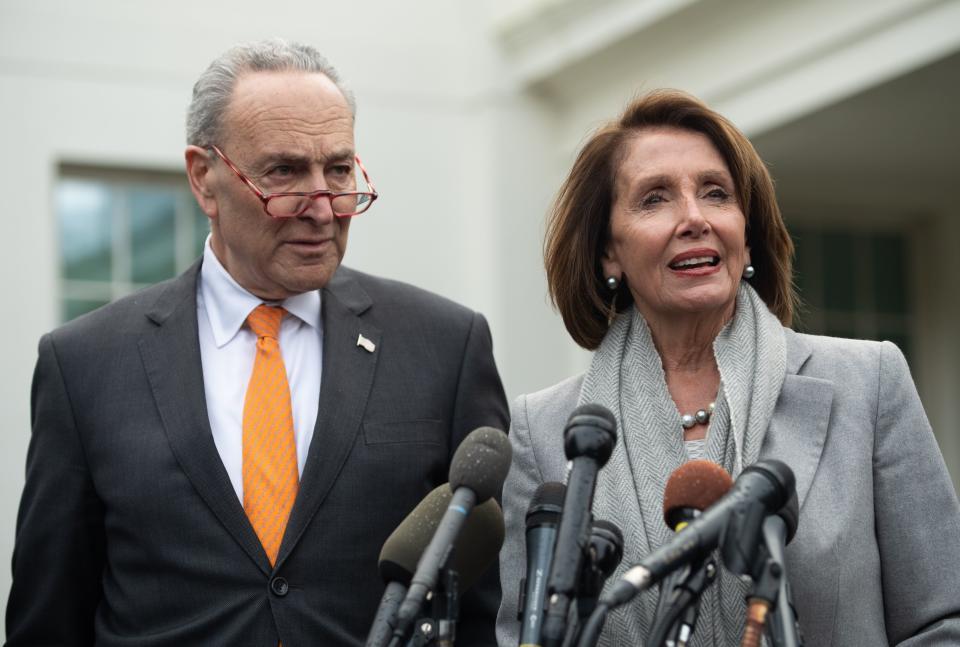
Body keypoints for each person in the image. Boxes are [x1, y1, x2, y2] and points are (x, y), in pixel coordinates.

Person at [7, 39, 509, 647]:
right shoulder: (84, 365)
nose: (323, 208)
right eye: (284, 172)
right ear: (204, 179)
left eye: (340, 170)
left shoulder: (445, 347)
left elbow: (481, 615)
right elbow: (49, 620)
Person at [496, 89, 960, 646]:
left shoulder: (868, 382)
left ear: (747, 233)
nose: (694, 218)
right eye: (654, 199)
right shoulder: (544, 432)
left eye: (716, 194)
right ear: (608, 253)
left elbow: (942, 620)